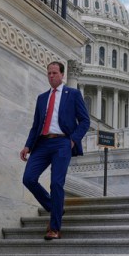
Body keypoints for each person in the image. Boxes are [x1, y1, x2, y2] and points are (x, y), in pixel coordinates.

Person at [20, 61, 90, 240]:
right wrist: (28, 145)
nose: (51, 76)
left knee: (56, 183)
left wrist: (73, 139)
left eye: (54, 73)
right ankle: (54, 206)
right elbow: (36, 125)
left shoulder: (72, 94)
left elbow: (84, 121)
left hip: (62, 143)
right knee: (28, 178)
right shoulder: (42, 98)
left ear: (62, 75)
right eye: (49, 73)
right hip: (42, 143)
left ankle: (54, 227)